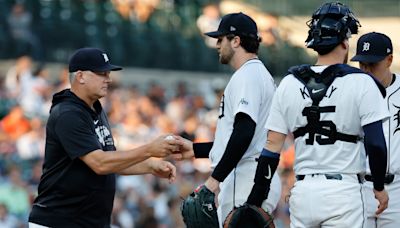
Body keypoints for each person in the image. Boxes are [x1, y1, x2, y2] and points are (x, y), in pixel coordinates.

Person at [245, 2, 389, 227]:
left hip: (302, 193)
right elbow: (377, 145)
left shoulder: (288, 83)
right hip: (344, 192)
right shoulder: (362, 82)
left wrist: (254, 200)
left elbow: (270, 150)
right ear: (345, 40)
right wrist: (379, 188)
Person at [28, 47, 183, 228]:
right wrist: (149, 150)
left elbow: (112, 160)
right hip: (59, 221)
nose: (108, 79)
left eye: (108, 73)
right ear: (80, 76)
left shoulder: (95, 108)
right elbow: (100, 163)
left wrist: (149, 166)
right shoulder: (67, 113)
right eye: (101, 73)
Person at [174, 12, 281, 226]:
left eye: (220, 39)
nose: (216, 44)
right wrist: (196, 150)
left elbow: (244, 132)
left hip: (245, 177)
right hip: (255, 172)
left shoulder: (247, 75)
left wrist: (214, 181)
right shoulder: (259, 75)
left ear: (236, 41)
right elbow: (241, 139)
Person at [351, 32, 400, 228]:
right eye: (362, 65)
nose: (366, 71)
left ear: (389, 60)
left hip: (397, 188)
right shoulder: (351, 92)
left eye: (373, 65)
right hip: (360, 187)